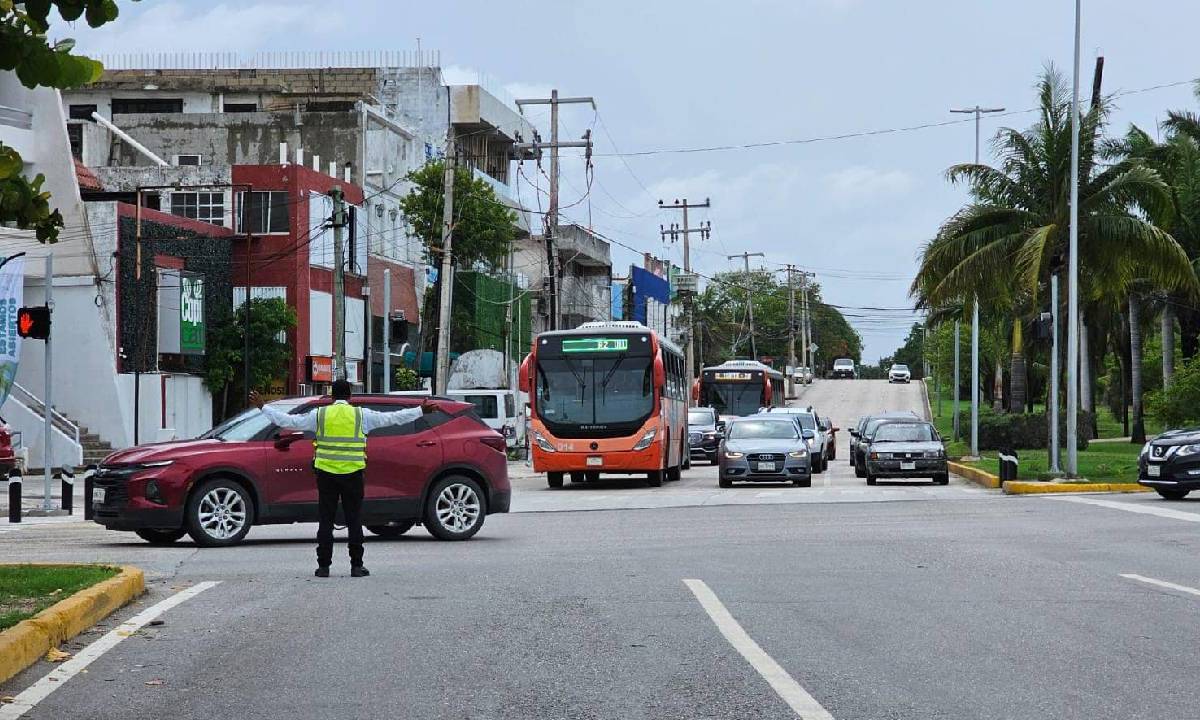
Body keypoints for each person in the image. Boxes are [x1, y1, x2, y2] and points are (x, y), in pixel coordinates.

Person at [250, 380, 437, 578]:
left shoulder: (320, 415)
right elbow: (392, 418)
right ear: (349, 396)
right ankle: (356, 566)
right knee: (354, 519)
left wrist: (264, 407)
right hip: (353, 474)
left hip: (326, 474)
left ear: (332, 397)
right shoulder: (361, 415)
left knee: (326, 520)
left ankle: (323, 567)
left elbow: (289, 421)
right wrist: (419, 411)